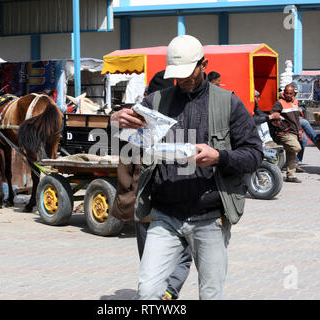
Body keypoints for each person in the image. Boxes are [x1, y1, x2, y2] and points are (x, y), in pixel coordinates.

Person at [111, 35, 263, 300]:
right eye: (176, 75)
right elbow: (128, 144)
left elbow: (254, 154)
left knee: (211, 293)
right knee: (147, 292)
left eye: (188, 73)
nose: (181, 81)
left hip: (210, 217)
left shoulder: (228, 103)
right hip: (165, 216)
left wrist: (219, 157)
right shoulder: (155, 102)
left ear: (203, 64)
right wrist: (114, 120)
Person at [110, 69, 192, 300]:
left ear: (149, 92)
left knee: (149, 255)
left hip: (146, 201)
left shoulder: (139, 121)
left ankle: (158, 291)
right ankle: (168, 290)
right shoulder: (181, 116)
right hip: (179, 199)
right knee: (184, 252)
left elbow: (125, 158)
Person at [270, 84, 303, 183]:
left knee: (292, 153)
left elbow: (297, 119)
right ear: (284, 92)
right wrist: (278, 123)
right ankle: (282, 149)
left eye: (290, 93)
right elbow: (273, 115)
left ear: (294, 94)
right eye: (286, 93)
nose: (288, 95)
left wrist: (299, 130)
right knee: (297, 148)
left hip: (294, 132)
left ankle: (291, 175)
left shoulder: (295, 102)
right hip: (284, 133)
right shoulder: (279, 103)